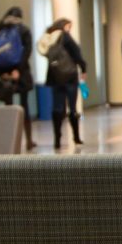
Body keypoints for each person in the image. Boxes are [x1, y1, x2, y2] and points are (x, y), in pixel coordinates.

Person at [0, 6, 37, 150]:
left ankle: (9, 140)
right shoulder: (24, 30)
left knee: (8, 107)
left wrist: (1, 73)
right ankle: (28, 141)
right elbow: (27, 51)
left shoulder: (0, 28)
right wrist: (18, 70)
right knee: (24, 106)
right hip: (21, 72)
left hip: (4, 73)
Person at [38, 16, 87, 149]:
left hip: (55, 77)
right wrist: (83, 68)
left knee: (57, 107)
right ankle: (76, 137)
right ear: (64, 26)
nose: (69, 29)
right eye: (69, 26)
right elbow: (76, 53)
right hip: (69, 76)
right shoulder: (65, 36)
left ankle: (57, 139)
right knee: (72, 107)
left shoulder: (48, 36)